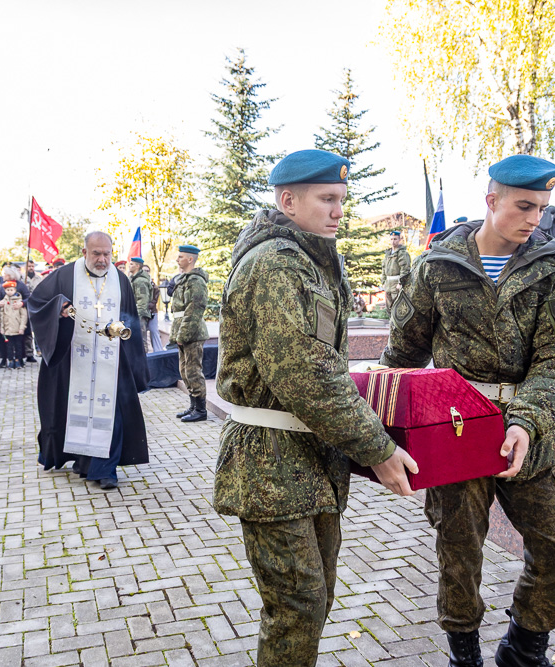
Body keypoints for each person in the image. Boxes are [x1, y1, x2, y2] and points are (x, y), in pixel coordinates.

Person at [381, 154, 555, 667]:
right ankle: (464, 654)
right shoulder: (438, 265)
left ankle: (523, 646)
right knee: (459, 554)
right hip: (455, 431)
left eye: (542, 208)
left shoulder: (554, 265)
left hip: (529, 431)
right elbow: (404, 355)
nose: (534, 219)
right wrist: (390, 438)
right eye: (523, 206)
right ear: (491, 201)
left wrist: (527, 420)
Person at [214, 149, 418, 667]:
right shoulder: (275, 265)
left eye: (341, 200)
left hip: (307, 455)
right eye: (327, 199)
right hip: (271, 460)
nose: (338, 211)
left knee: (314, 598)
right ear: (289, 201)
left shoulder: (309, 261)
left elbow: (322, 364)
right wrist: (376, 447)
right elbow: (302, 372)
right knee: (297, 606)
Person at [27, 231, 149, 490]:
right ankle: (84, 461)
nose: (103, 259)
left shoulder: (120, 280)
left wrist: (134, 358)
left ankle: (105, 469)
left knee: (109, 412)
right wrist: (58, 306)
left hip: (110, 360)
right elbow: (37, 302)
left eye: (107, 253)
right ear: (84, 252)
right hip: (75, 360)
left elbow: (132, 319)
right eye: (96, 253)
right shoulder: (65, 275)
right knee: (77, 410)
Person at [168, 244, 209, 421]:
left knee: (193, 371)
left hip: (192, 333)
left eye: (181, 257)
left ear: (190, 259)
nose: (177, 259)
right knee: (184, 370)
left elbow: (194, 309)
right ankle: (193, 406)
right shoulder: (184, 279)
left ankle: (201, 411)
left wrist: (183, 335)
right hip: (182, 331)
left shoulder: (195, 281)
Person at [382, 229, 411, 315]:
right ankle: (391, 325)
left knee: (398, 306)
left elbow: (405, 269)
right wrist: (383, 281)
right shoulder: (388, 254)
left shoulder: (402, 253)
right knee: (389, 307)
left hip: (396, 283)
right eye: (391, 239)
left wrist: (400, 282)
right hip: (388, 284)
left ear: (399, 240)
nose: (393, 241)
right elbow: (384, 269)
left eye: (395, 239)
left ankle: (397, 326)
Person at [0, 280, 27, 368]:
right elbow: (2, 316)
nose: (9, 292)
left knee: (18, 346)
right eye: (8, 290)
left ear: (15, 290)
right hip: (8, 328)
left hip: (17, 328)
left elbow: (24, 315)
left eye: (11, 290)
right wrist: (2, 327)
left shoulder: (19, 301)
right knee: (9, 346)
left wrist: (22, 327)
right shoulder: (4, 302)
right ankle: (10, 360)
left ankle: (18, 360)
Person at [128, 256, 153, 350]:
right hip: (134, 314)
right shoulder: (134, 279)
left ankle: (144, 361)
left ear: (137, 266)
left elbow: (143, 301)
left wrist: (137, 317)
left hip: (139, 315)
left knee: (141, 341)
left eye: (131, 264)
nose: (129, 266)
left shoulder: (140, 281)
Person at [24, 259, 43, 361]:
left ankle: (39, 349)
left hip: (36, 305)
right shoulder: (22, 278)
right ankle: (29, 352)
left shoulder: (38, 278)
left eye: (32, 266)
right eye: (29, 266)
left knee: (37, 329)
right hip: (25, 306)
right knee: (27, 331)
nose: (31, 268)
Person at [143, 264, 164, 352]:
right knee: (142, 332)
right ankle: (144, 351)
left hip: (152, 312)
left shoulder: (153, 285)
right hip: (141, 313)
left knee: (154, 330)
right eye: (144, 270)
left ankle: (158, 351)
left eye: (147, 271)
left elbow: (155, 299)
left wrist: (148, 306)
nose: (146, 272)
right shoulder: (137, 283)